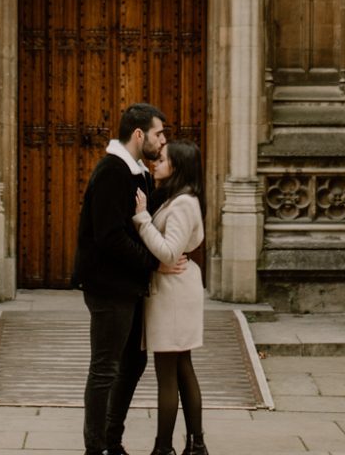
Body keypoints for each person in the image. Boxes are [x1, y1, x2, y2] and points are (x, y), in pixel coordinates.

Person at [74, 103, 187, 455]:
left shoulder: (136, 171)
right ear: (139, 135)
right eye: (158, 134)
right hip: (108, 286)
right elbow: (109, 235)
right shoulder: (112, 170)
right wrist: (153, 265)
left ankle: (112, 438)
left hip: (129, 284)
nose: (163, 140)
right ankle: (96, 447)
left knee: (133, 363)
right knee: (105, 367)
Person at [134, 140, 208, 455]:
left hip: (173, 296)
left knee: (168, 372)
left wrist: (141, 218)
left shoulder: (182, 204)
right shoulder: (178, 199)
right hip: (175, 290)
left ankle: (163, 448)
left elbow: (168, 251)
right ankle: (196, 445)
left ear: (176, 166)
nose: (155, 162)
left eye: (162, 159)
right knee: (181, 367)